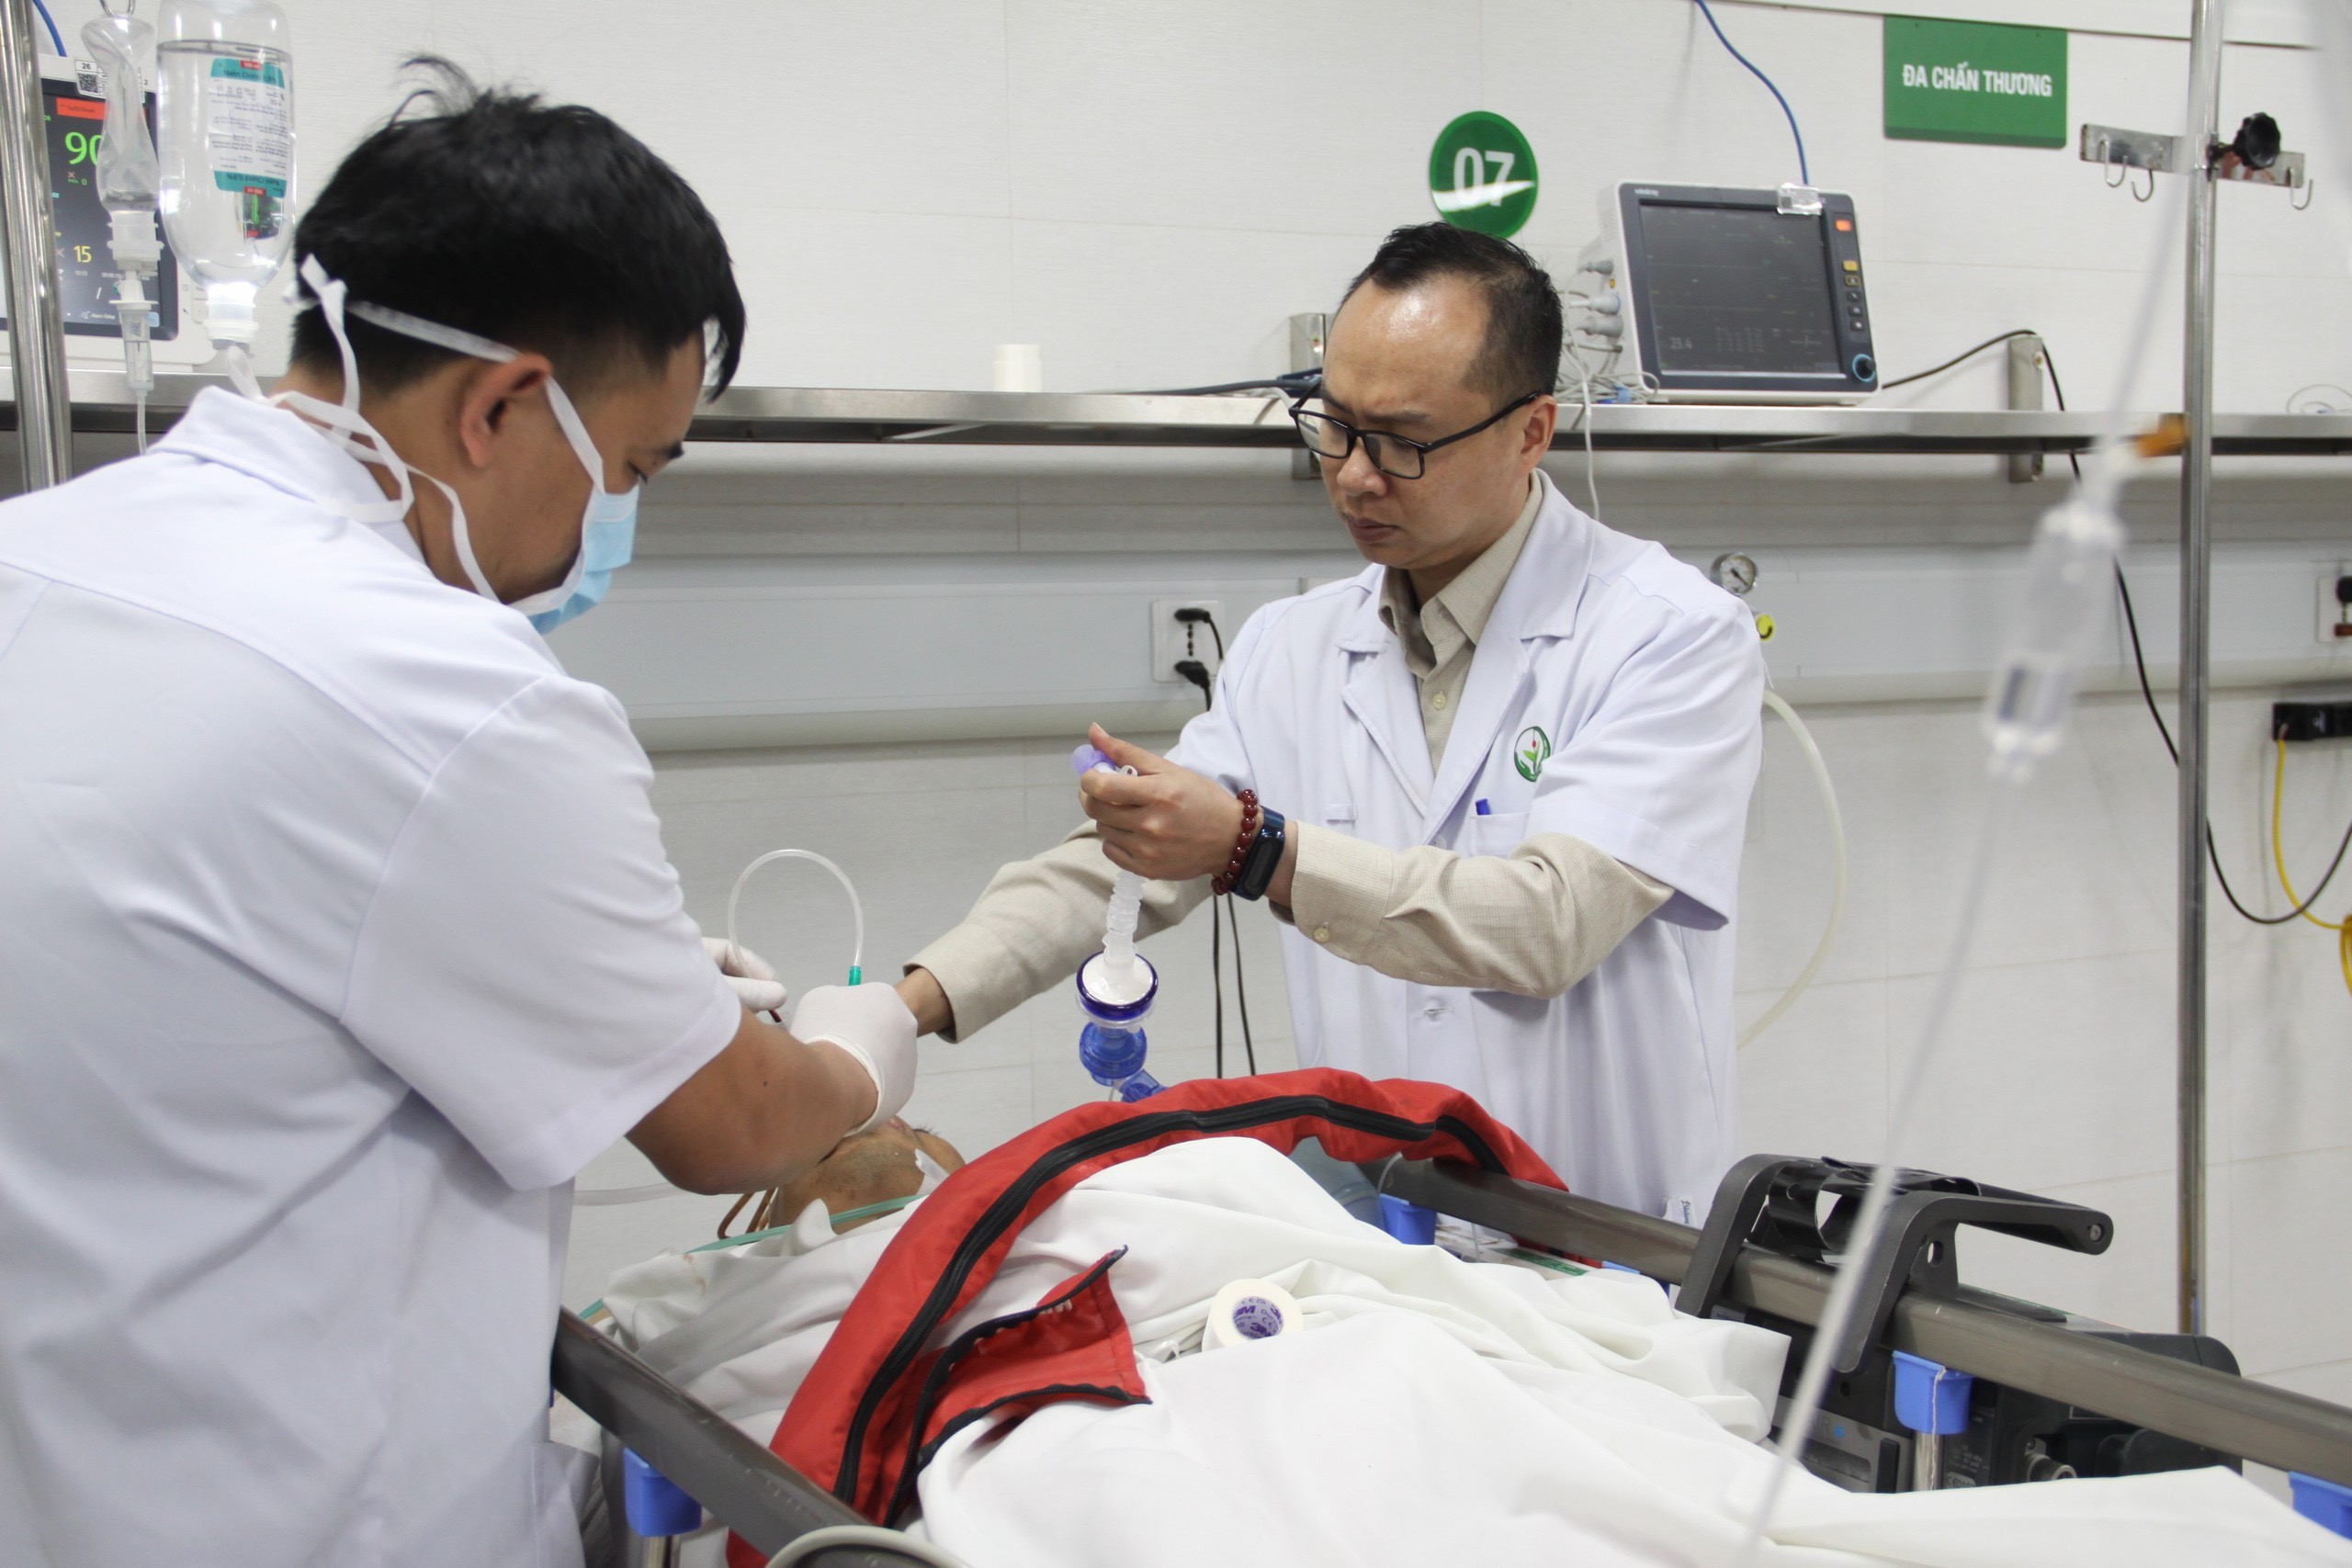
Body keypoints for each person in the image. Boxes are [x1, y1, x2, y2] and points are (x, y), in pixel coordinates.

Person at [0, 66, 917, 1565]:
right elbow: (736, 1125)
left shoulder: (39, 551)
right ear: (500, 405)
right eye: (630, 469)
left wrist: (611, 983)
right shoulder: (451, 694)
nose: (615, 526)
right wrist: (854, 1052)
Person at [899, 222, 1763, 1218]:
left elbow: (1548, 924)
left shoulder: (1670, 633)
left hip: (1603, 1235)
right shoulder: (1292, 645)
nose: (1354, 474)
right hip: (1378, 1236)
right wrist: (895, 1012)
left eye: (1402, 442)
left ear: (1531, 431)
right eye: (1335, 426)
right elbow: (1133, 859)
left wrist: (1260, 850)